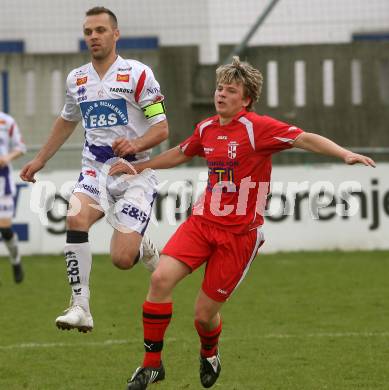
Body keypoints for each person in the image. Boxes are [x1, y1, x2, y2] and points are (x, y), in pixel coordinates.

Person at [108, 56, 376, 389]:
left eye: (230, 90)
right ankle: (151, 365)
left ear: (245, 99)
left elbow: (304, 138)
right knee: (161, 278)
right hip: (202, 222)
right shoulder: (206, 128)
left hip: (238, 236)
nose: (221, 94)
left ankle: (209, 352)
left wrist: (344, 154)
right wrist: (140, 167)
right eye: (219, 88)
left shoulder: (257, 128)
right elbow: (181, 152)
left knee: (203, 316)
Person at [20, 6, 169, 332]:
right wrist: (40, 159)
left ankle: (141, 245)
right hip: (95, 172)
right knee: (75, 216)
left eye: (100, 30)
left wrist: (136, 145)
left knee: (121, 259)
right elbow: (67, 120)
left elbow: (162, 129)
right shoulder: (78, 78)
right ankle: (80, 306)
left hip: (135, 174)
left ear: (115, 34)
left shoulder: (138, 74)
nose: (93, 37)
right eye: (88, 32)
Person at [0, 111, 26, 284]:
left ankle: (16, 262)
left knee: (5, 230)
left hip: (3, 183)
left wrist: (6, 158)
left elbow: (21, 148)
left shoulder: (6, 121)